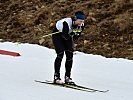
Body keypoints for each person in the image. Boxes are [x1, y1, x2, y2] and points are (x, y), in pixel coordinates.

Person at [52, 11, 85, 84]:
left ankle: (67, 77)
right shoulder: (66, 22)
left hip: (67, 35)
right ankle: (56, 76)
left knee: (70, 54)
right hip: (58, 35)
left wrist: (75, 34)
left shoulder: (81, 25)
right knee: (60, 53)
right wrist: (73, 33)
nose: (81, 23)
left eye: (82, 21)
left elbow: (76, 37)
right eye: (79, 21)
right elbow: (65, 36)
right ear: (75, 19)